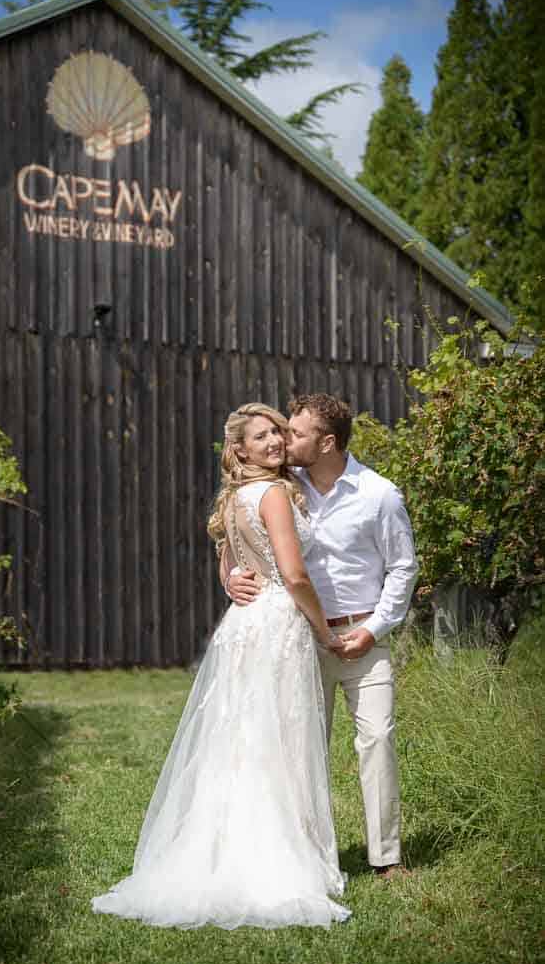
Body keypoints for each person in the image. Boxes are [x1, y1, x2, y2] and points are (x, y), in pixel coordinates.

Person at [92, 403, 351, 929]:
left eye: (278, 433)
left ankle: (220, 847)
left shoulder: (234, 497)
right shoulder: (275, 493)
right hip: (277, 623)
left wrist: (230, 579)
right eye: (262, 437)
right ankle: (276, 857)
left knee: (240, 738)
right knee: (278, 738)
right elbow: (295, 575)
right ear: (240, 450)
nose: (276, 442)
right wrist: (324, 630)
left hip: (242, 626)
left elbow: (229, 562)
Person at [225, 394, 418, 879]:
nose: (283, 440)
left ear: (327, 442)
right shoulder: (282, 487)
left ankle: (386, 858)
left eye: (295, 433)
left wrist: (374, 630)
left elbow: (402, 568)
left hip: (363, 639)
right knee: (301, 748)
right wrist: (229, 578)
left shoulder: (380, 495)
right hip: (299, 639)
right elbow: (234, 540)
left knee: (377, 739)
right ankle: (310, 857)